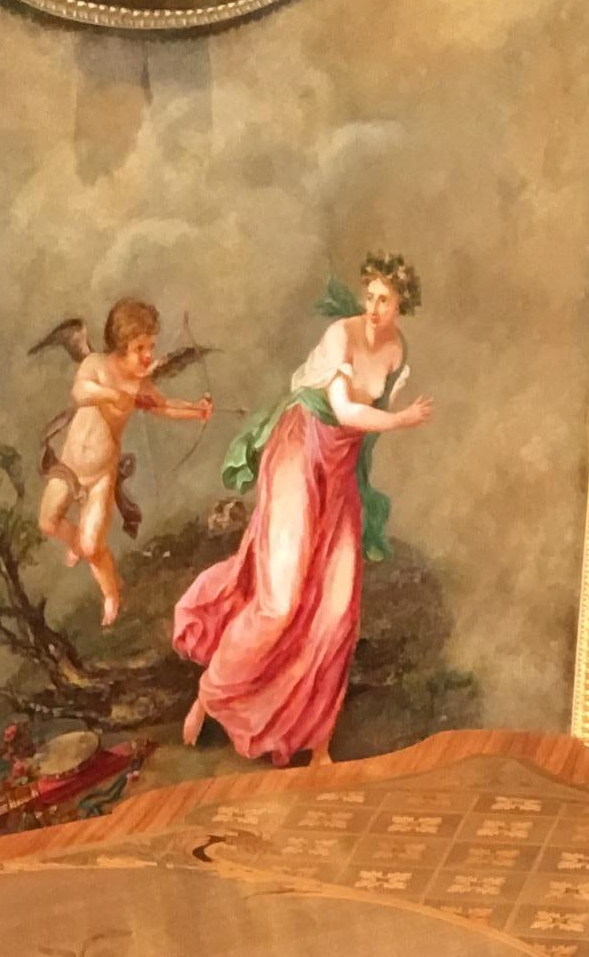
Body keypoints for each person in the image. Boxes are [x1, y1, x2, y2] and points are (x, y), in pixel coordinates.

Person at [176, 253, 434, 766]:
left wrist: (360, 488)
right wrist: (403, 420)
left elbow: (363, 432)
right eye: (371, 296)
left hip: (339, 470)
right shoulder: (342, 336)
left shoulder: (397, 353)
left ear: (402, 304)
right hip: (299, 450)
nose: (375, 308)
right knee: (281, 599)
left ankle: (318, 739)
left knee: (337, 607)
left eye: (386, 300)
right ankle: (210, 694)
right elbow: (341, 410)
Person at [34, 299, 213, 627]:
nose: (148, 355)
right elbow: (80, 391)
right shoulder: (96, 365)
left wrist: (196, 410)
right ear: (120, 347)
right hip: (69, 465)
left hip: (102, 474)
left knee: (92, 545)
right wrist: (112, 395)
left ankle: (111, 592)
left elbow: (164, 407)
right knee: (47, 522)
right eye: (139, 348)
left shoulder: (140, 385)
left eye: (151, 346)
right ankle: (74, 542)